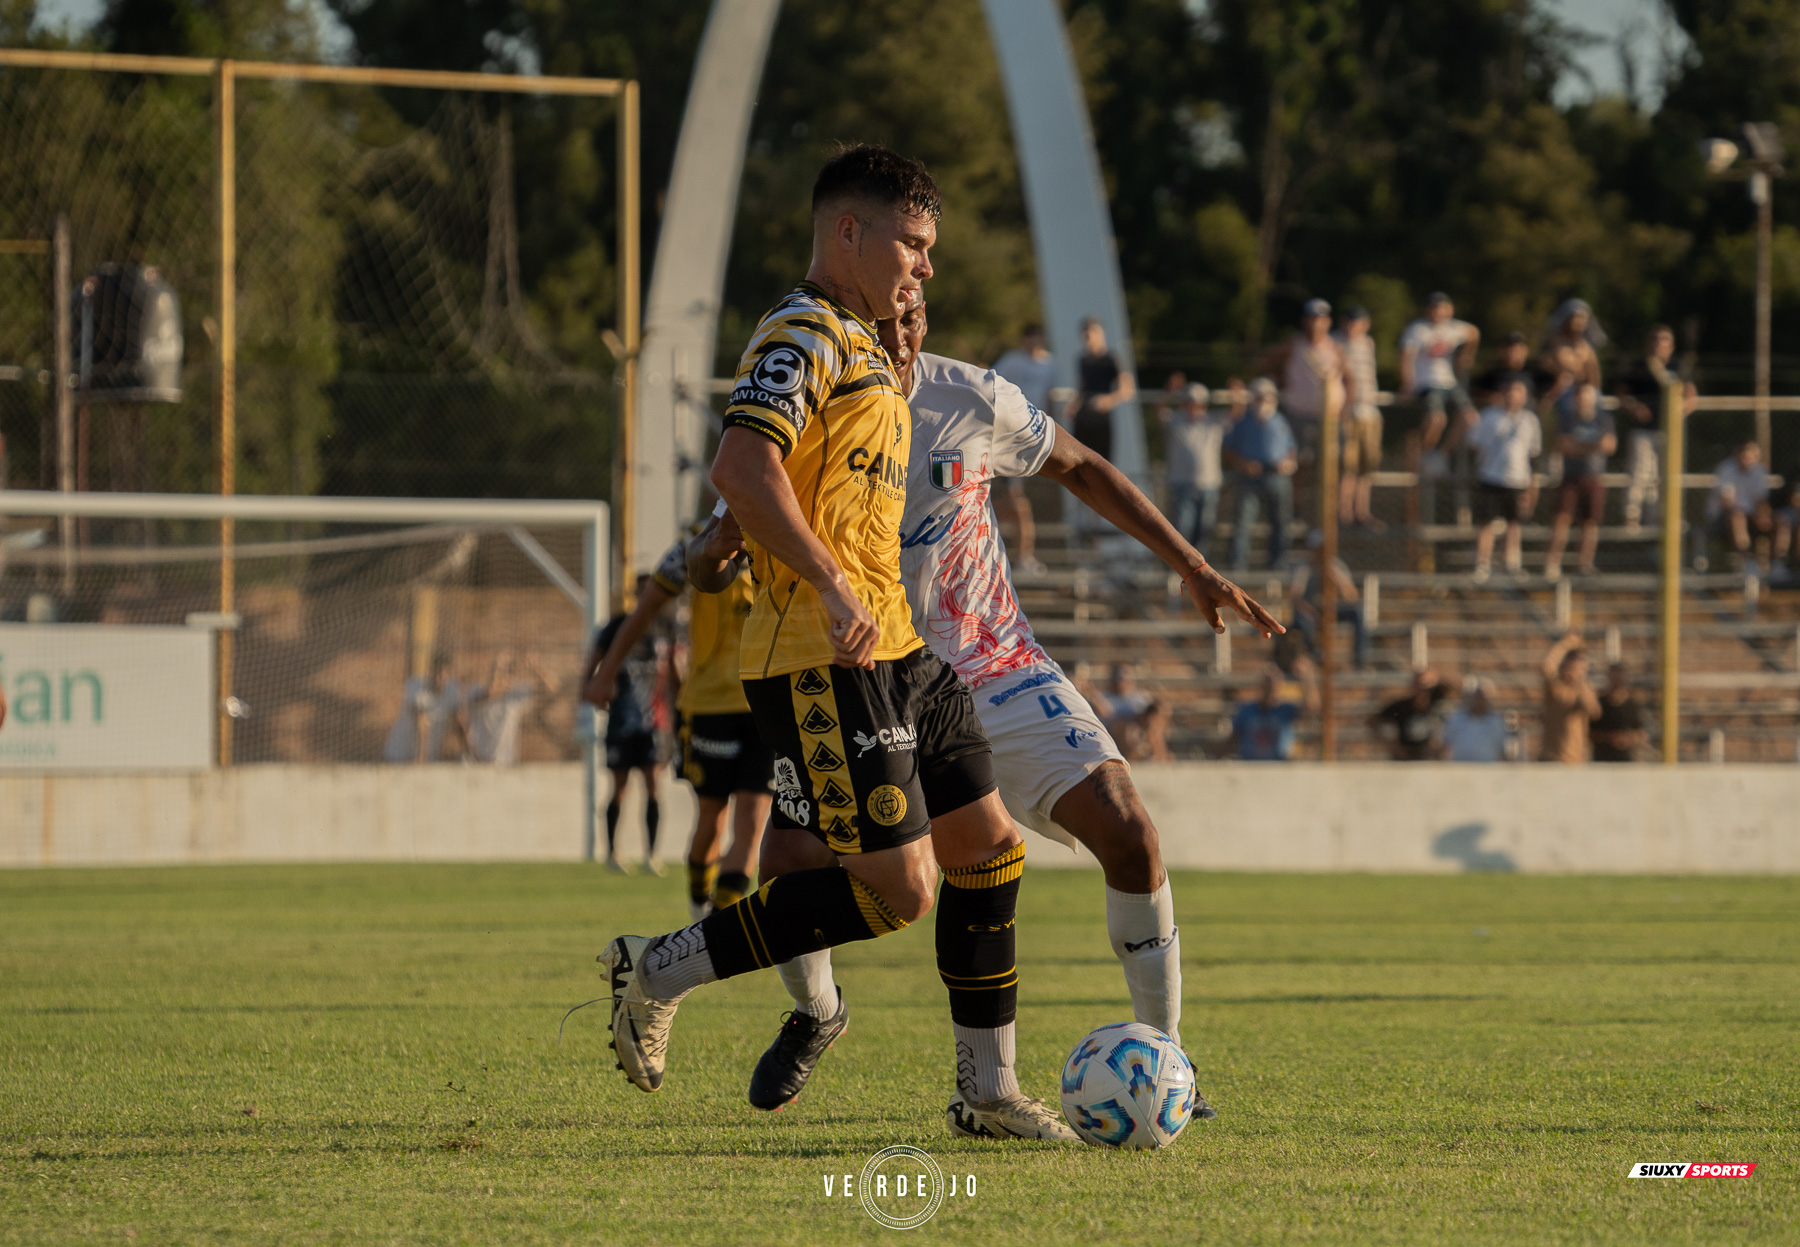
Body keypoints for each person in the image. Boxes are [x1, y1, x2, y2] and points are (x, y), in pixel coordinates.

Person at [597, 146, 1061, 1140]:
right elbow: (741, 463)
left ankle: (987, 1090)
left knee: (990, 848)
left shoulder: (862, 340)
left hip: (900, 646)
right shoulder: (800, 332)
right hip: (819, 652)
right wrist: (828, 579)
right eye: (913, 243)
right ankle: (656, 967)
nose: (925, 266)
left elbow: (821, 477)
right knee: (899, 892)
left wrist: (894, 361)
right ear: (847, 231)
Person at [725, 297, 1278, 1131]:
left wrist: (1191, 564)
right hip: (863, 677)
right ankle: (818, 1011)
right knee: (794, 860)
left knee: (1130, 829)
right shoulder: (816, 401)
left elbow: (1083, 466)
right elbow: (747, 494)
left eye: (915, 313)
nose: (901, 329)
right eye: (885, 315)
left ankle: (1165, 1060)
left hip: (996, 666)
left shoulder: (973, 397)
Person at [587, 522, 775, 920]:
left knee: (753, 822)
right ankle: (697, 909)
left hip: (765, 704)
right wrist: (606, 673)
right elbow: (646, 608)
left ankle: (719, 928)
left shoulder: (781, 534)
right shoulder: (694, 542)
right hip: (707, 705)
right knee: (712, 819)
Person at [583, 583, 672, 871]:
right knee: (619, 788)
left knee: (653, 785)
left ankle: (651, 856)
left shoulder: (664, 627)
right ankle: (612, 854)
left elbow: (675, 672)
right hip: (621, 723)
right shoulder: (616, 627)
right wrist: (588, 696)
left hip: (654, 724)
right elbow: (590, 668)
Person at [1263, 298, 1347, 514]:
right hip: (1298, 413)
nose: (1315, 324)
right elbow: (1267, 361)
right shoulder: (1294, 343)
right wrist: (1281, 382)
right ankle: (1295, 507)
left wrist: (1345, 405)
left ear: (1327, 322)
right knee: (1297, 461)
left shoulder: (1335, 347)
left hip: (1328, 416)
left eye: (1320, 319)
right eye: (1311, 319)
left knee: (1329, 462)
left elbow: (1349, 377)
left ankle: (1326, 510)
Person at [1615, 325, 1694, 531]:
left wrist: (1678, 411)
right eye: (1655, 339)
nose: (1659, 343)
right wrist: (1634, 407)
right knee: (1639, 472)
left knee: (1667, 475)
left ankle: (1662, 517)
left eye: (1664, 339)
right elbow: (1621, 394)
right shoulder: (1640, 366)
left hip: (1669, 432)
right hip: (1643, 430)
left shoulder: (1678, 367)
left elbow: (1691, 396)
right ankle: (1631, 517)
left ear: (1672, 345)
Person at [991, 325, 1056, 575]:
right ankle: (1023, 557)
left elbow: (1049, 398)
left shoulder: (1051, 364)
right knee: (1017, 505)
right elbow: (989, 383)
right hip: (1008, 437)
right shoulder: (1011, 361)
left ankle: (1019, 557)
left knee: (1011, 504)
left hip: (1034, 439)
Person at [1469, 377, 1542, 580]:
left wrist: (1531, 486)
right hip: (1490, 476)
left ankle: (1511, 564)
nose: (1513, 395)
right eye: (1509, 390)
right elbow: (1474, 446)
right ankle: (1482, 565)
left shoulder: (1530, 420)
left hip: (1518, 479)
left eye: (1518, 390)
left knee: (1514, 524)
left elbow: (1534, 455)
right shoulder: (1489, 416)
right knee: (1486, 523)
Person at [1222, 377, 1298, 570]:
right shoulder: (1242, 421)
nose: (1264, 400)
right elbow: (1228, 450)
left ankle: (1278, 565)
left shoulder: (1280, 420)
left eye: (1267, 396)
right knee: (1243, 523)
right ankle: (1237, 567)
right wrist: (1243, 464)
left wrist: (1288, 463)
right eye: (1259, 396)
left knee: (1281, 522)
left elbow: (1292, 450)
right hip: (1250, 478)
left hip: (1277, 477)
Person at [1543, 382, 1615, 580]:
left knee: (1590, 523)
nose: (1585, 399)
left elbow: (1609, 445)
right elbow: (1563, 445)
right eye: (1581, 395)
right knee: (1561, 520)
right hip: (1570, 478)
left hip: (1594, 478)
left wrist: (1580, 447)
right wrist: (1593, 447)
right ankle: (1553, 564)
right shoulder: (1568, 419)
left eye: (1589, 395)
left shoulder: (1603, 418)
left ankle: (1584, 564)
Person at [1398, 292, 1480, 460]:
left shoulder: (1453, 328)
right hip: (1426, 382)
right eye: (1433, 308)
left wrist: (1467, 355)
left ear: (1448, 309)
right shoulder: (1418, 329)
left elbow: (1474, 333)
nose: (1437, 312)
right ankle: (1422, 455)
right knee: (1436, 419)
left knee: (1470, 418)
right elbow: (1406, 357)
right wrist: (1407, 383)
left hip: (1448, 381)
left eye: (1440, 308)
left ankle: (1441, 455)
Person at [1161, 380, 1227, 555]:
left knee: (1205, 528)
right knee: (1183, 528)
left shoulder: (1214, 421)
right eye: (1189, 402)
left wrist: (1235, 394)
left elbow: (1237, 412)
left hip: (1209, 483)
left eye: (1197, 403)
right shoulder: (1176, 420)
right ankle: (1182, 564)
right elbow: (1158, 411)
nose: (1193, 406)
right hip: (1182, 483)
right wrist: (1169, 393)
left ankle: (1200, 567)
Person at [1708, 440, 1791, 576]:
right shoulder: (1726, 469)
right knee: (1737, 517)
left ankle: (1777, 565)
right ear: (1737, 455)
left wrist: (1763, 516)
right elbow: (1727, 503)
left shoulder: (1759, 470)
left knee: (1780, 521)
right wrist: (1751, 514)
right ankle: (1746, 563)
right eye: (1744, 457)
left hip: (1751, 516)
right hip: (1724, 518)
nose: (1747, 461)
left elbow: (1761, 500)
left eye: (1751, 457)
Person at [1335, 306, 1385, 529]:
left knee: (1367, 466)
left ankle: (1361, 512)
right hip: (1348, 413)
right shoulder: (1335, 343)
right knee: (1348, 466)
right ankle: (1343, 513)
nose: (1354, 326)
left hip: (1370, 412)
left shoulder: (1368, 343)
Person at [1289, 529, 1367, 669]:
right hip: (1310, 611)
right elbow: (1295, 598)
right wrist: (1313, 613)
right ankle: (1317, 657)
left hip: (1330, 608)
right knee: (1303, 622)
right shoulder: (1304, 568)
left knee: (1357, 612)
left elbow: (1351, 597)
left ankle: (1359, 659)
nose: (1318, 552)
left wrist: (1336, 578)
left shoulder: (1336, 565)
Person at [1065, 317, 1136, 461]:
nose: (1088, 338)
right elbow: (1082, 388)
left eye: (1091, 333)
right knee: (1078, 464)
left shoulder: (1111, 359)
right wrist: (1073, 405)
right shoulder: (1082, 359)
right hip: (1082, 421)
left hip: (1101, 423)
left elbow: (1128, 389)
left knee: (1101, 466)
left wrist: (1107, 400)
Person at [1229, 660, 1317, 761]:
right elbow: (1233, 740)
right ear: (1261, 685)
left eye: (1275, 683)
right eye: (1268, 683)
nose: (1271, 687)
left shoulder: (1285, 710)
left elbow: (1311, 706)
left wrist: (1306, 678)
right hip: (1251, 767)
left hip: (1278, 768)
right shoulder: (1246, 710)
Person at [1088, 663, 1173, 762]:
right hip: (1113, 734)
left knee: (1153, 722)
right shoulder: (1102, 697)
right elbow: (1106, 715)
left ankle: (1160, 759)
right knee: (1125, 729)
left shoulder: (1141, 697)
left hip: (1140, 733)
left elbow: (1163, 711)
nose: (1120, 682)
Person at [1539, 631, 1600, 763]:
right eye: (1571, 661)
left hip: (1575, 759)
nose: (1574, 665)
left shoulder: (1585, 689)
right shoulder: (1556, 687)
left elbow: (1593, 711)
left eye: (1578, 661)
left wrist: (1580, 680)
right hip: (1551, 757)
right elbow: (1546, 666)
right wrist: (1565, 644)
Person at [1370, 668, 1448, 761]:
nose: (1422, 691)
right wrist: (1391, 744)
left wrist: (1434, 677)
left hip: (1428, 756)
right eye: (1418, 686)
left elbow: (1455, 687)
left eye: (1426, 687)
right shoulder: (1401, 706)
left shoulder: (1436, 706)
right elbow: (1373, 721)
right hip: (1404, 757)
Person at [1538, 299, 1604, 407]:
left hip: (1581, 398)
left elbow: (1594, 379)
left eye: (1582, 318)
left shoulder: (1587, 348)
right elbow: (1545, 365)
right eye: (1576, 317)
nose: (1578, 322)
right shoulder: (1554, 341)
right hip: (1555, 393)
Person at [1440, 679, 1509, 762]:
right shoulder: (1457, 718)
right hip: (1459, 769)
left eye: (1483, 698)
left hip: (1487, 770)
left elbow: (1502, 748)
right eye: (1477, 696)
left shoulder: (1495, 722)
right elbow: (1445, 743)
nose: (1479, 701)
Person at [1590, 665, 1648, 763]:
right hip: (1602, 761)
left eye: (1620, 677)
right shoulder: (1599, 704)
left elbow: (1642, 734)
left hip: (1626, 761)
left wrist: (1629, 739)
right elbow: (1588, 733)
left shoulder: (1633, 705)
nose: (1617, 681)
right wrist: (1611, 738)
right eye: (1614, 677)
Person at [1472, 331, 1540, 407]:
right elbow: (1473, 392)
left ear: (1525, 351)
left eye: (1517, 350)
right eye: (1509, 350)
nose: (1512, 354)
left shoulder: (1534, 373)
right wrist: (1491, 397)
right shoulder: (1492, 376)